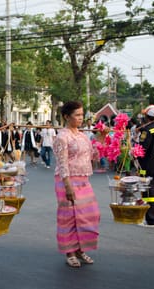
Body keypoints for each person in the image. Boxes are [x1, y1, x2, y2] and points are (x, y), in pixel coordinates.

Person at [53, 101, 100, 268]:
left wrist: (101, 137)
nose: (81, 118)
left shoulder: (82, 136)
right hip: (66, 180)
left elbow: (93, 156)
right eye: (77, 115)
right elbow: (62, 162)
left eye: (82, 115)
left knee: (89, 214)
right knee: (69, 217)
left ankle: (81, 249)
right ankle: (70, 252)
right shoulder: (62, 137)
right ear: (67, 117)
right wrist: (67, 186)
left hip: (83, 180)